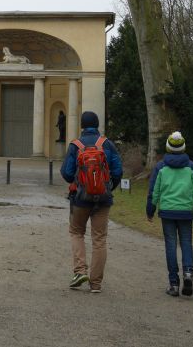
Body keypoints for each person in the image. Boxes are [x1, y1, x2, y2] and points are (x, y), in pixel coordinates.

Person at [61, 111, 122, 293]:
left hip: (80, 199)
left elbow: (66, 172)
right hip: (103, 199)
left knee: (77, 232)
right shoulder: (107, 144)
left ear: (82, 125)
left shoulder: (75, 145)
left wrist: (80, 181)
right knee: (99, 239)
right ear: (97, 125)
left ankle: (80, 271)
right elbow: (118, 171)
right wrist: (107, 187)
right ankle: (96, 284)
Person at [146, 131, 193, 297]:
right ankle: (188, 273)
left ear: (168, 147)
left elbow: (154, 192)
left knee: (170, 245)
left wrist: (150, 210)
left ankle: (174, 283)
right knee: (186, 242)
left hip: (168, 212)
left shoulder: (161, 167)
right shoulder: (191, 167)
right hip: (186, 211)